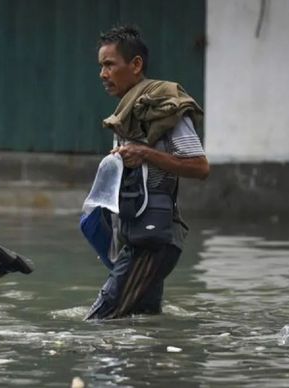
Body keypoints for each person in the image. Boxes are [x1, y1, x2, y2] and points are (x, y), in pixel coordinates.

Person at [85, 25, 209, 320]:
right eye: (101, 66)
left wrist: (146, 154)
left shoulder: (165, 106)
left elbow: (200, 167)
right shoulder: (126, 113)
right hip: (137, 235)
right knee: (143, 321)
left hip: (153, 240)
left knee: (100, 319)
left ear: (136, 64)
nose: (103, 74)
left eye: (109, 65)